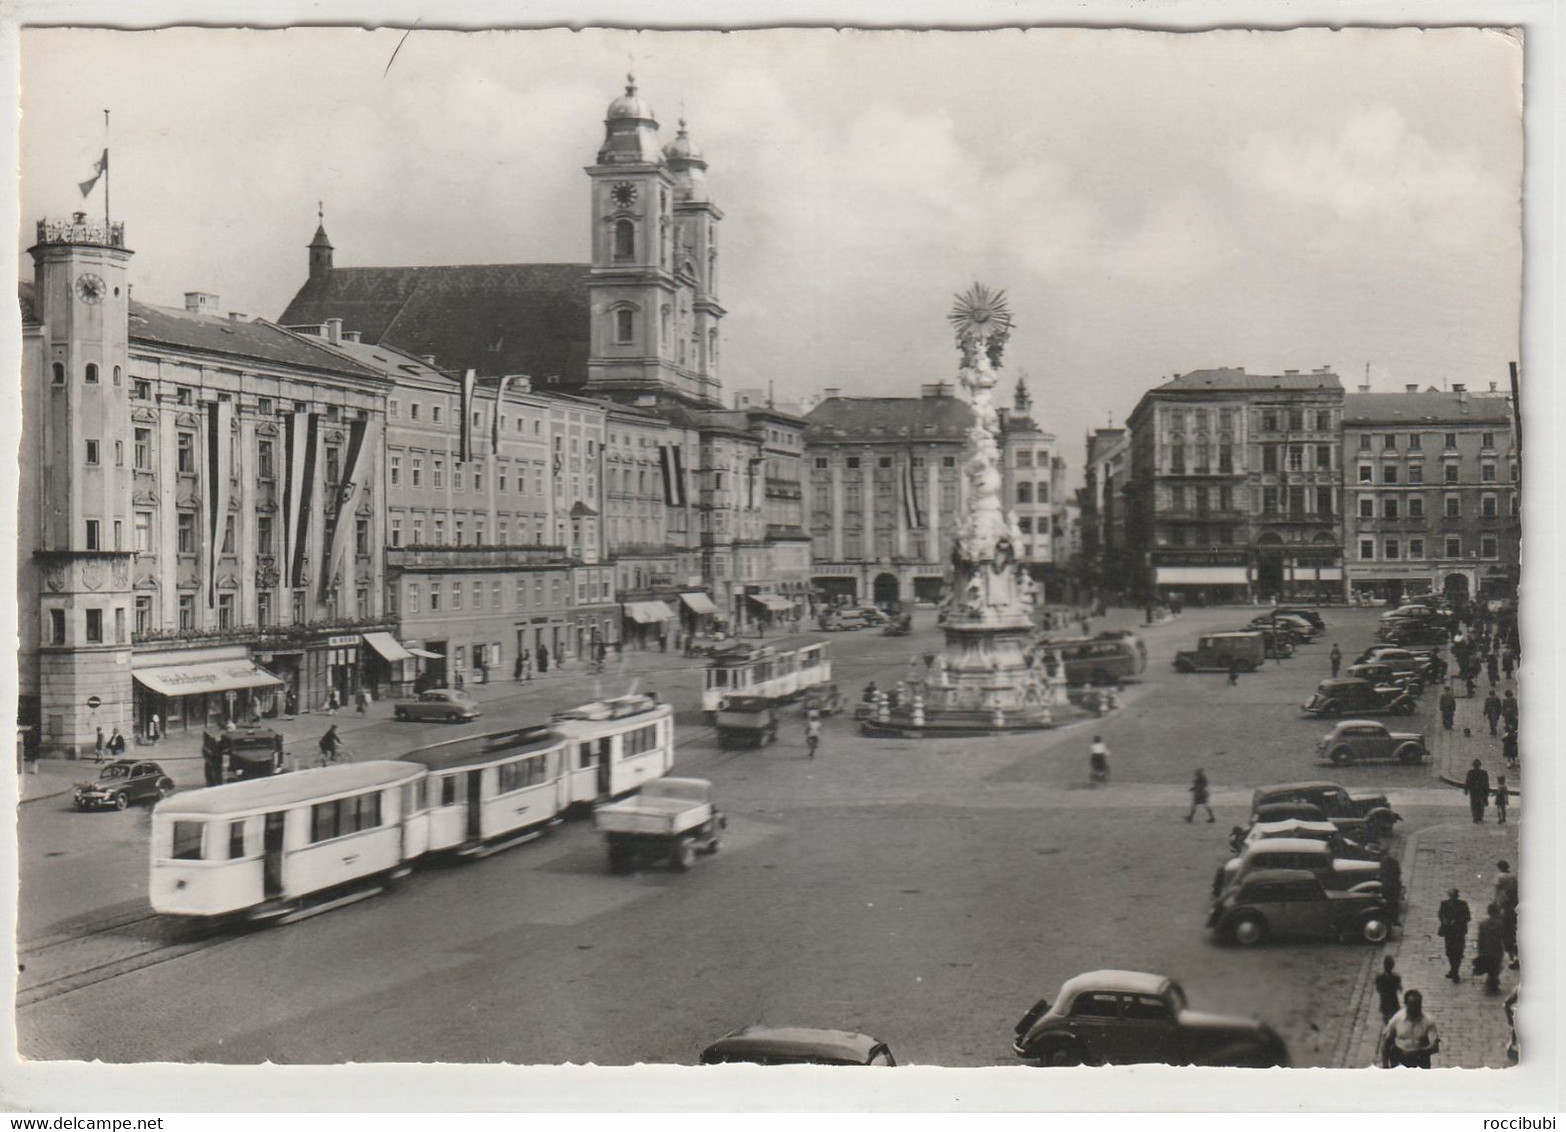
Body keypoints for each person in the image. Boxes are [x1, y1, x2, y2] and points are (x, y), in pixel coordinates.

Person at [1380, 990, 1440, 1068]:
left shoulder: (1428, 1021)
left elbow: (1434, 1047)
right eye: (1412, 1005)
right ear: (1406, 1005)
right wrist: (1385, 1065)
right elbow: (1387, 1042)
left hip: (1420, 1059)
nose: (1415, 1009)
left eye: (1418, 1005)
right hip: (1399, 1058)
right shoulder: (1397, 1019)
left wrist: (1417, 1053)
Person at [1438, 888, 1471, 982]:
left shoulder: (1463, 904)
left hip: (1459, 932)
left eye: (1455, 896)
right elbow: (1440, 914)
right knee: (1449, 952)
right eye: (1452, 896)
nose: (1453, 898)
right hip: (1449, 932)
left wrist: (1457, 921)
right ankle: (1453, 969)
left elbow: (1468, 917)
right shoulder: (1444, 904)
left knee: (1459, 952)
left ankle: (1455, 971)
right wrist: (1444, 920)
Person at [1494, 860, 1519, 969]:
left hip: (1503, 909)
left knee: (1506, 936)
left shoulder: (1499, 877)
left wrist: (1496, 905)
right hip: (1512, 907)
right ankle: (1516, 956)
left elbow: (1496, 893)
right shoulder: (1513, 877)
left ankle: (1512, 958)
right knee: (1513, 932)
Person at [1476, 903, 1505, 994]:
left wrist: (1480, 950)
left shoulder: (1483, 924)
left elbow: (1480, 938)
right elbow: (1503, 937)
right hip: (1497, 948)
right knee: (1496, 966)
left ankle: (1491, 983)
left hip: (1486, 949)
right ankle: (1493, 983)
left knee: (1489, 966)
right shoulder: (1500, 924)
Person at [1374, 956, 1404, 1023]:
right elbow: (1400, 989)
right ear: (1392, 966)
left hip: (1384, 1000)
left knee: (1385, 1015)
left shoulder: (1379, 977)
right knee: (1394, 1016)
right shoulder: (1396, 977)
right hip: (1393, 1000)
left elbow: (1378, 989)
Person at [1464, 759, 1491, 824]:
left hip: (1473, 791)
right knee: (1480, 804)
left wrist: (1466, 790)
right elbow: (1486, 783)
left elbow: (1467, 782)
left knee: (1474, 804)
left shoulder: (1470, 772)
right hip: (1481, 791)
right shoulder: (1484, 773)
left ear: (1473, 765)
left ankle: (1475, 817)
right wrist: (1487, 792)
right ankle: (1480, 817)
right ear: (1480, 765)